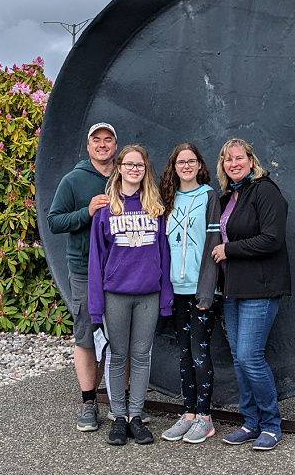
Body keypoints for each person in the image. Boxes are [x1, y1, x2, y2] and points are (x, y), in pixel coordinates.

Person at [88, 145, 173, 447]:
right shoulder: (105, 209)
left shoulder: (155, 206)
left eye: (140, 165)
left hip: (148, 294)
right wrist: (96, 308)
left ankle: (136, 415)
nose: (134, 169)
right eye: (129, 164)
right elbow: (96, 261)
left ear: (145, 170)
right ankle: (118, 416)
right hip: (116, 295)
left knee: (141, 356)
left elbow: (164, 256)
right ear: (119, 168)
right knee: (116, 355)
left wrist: (166, 298)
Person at [211, 138, 291, 452]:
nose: (234, 163)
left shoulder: (265, 191)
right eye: (228, 159)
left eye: (239, 158)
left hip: (260, 287)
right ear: (223, 165)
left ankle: (271, 425)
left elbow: (272, 239)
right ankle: (250, 422)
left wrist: (228, 250)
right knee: (239, 359)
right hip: (234, 289)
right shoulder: (230, 196)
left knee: (250, 357)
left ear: (251, 160)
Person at [47, 122, 116, 433]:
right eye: (96, 140)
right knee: (86, 335)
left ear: (115, 145)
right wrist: (86, 212)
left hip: (122, 271)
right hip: (86, 269)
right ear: (88, 147)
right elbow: (54, 222)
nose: (102, 145)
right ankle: (89, 402)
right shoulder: (73, 180)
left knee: (121, 337)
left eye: (108, 140)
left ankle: (120, 402)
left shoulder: (128, 174)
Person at [158, 144, 221, 445]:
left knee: (199, 353)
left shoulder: (209, 196)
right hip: (176, 290)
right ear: (174, 166)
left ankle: (206, 418)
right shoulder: (167, 199)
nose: (186, 166)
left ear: (199, 165)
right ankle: (189, 414)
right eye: (180, 162)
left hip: (200, 290)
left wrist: (206, 291)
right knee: (183, 354)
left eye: (191, 161)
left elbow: (213, 244)